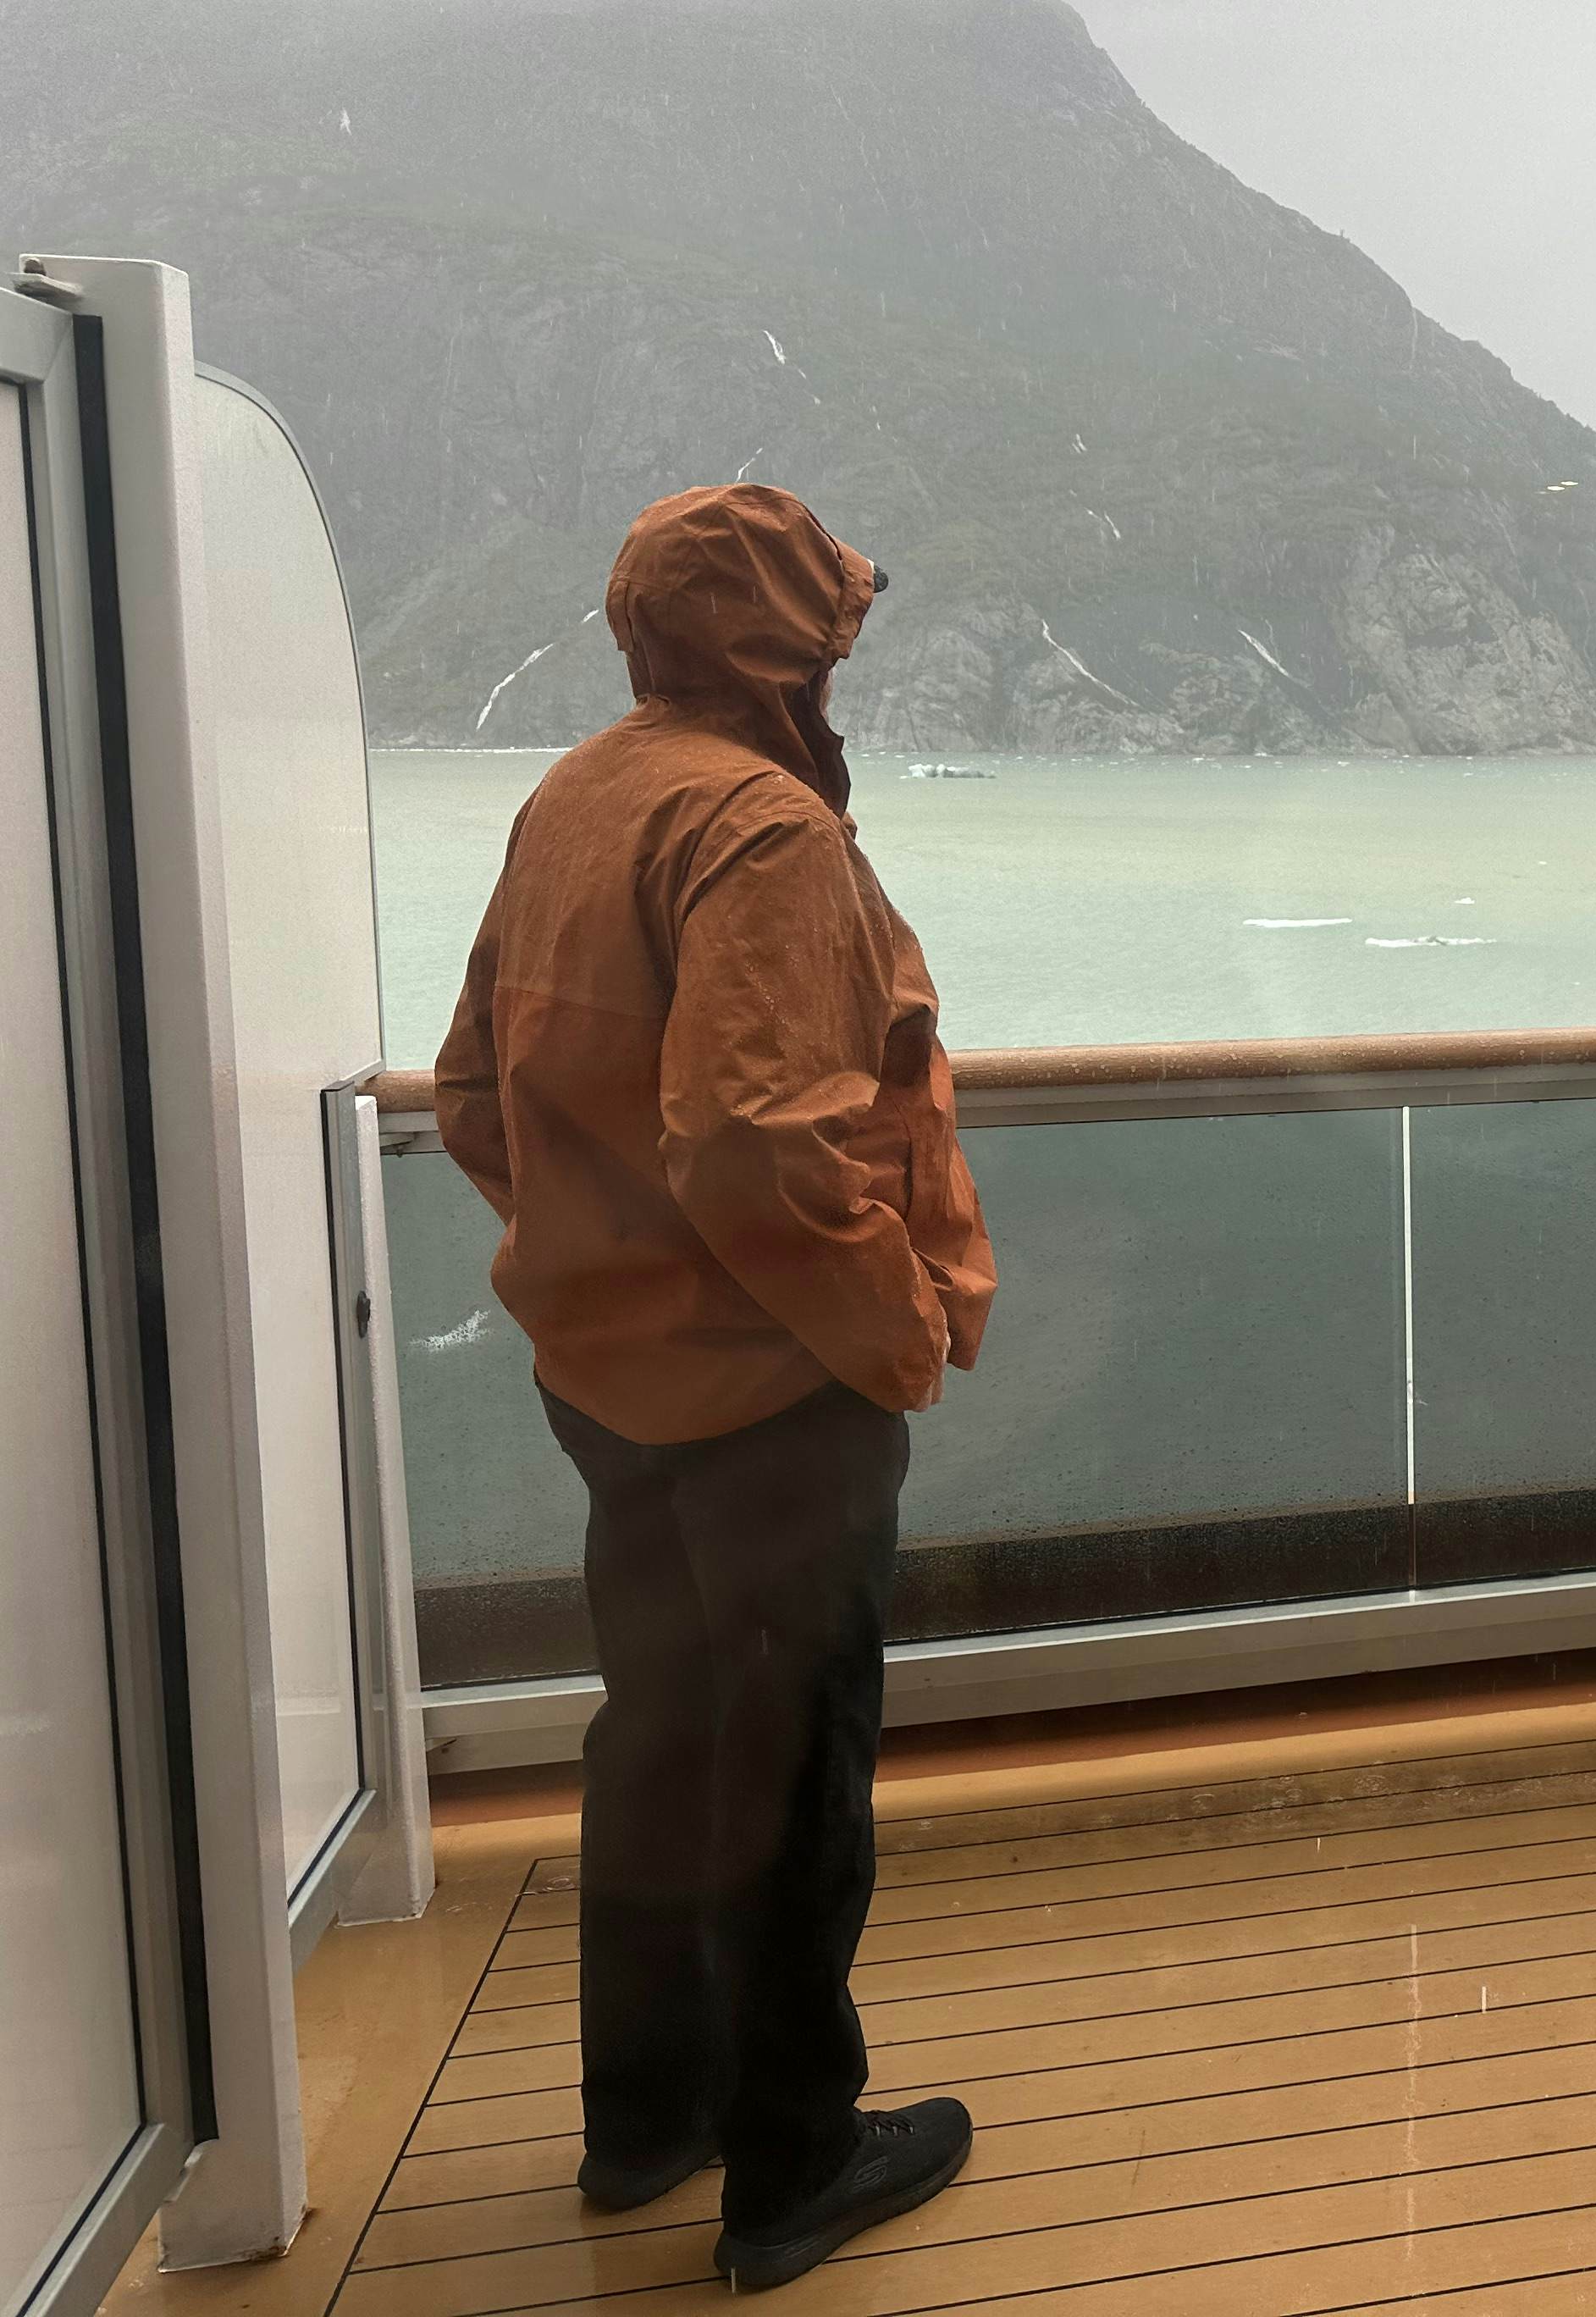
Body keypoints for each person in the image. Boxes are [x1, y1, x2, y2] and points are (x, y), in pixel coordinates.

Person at [435, 483, 997, 2291]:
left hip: (600, 1373)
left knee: (661, 1739)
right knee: (793, 1769)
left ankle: (644, 2119)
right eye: (832, 622)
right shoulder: (765, 834)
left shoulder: (574, 797)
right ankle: (793, 2169)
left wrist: (599, 1258)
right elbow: (759, 1143)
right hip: (775, 1394)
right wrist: (895, 1327)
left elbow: (467, 1094)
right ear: (791, 640)